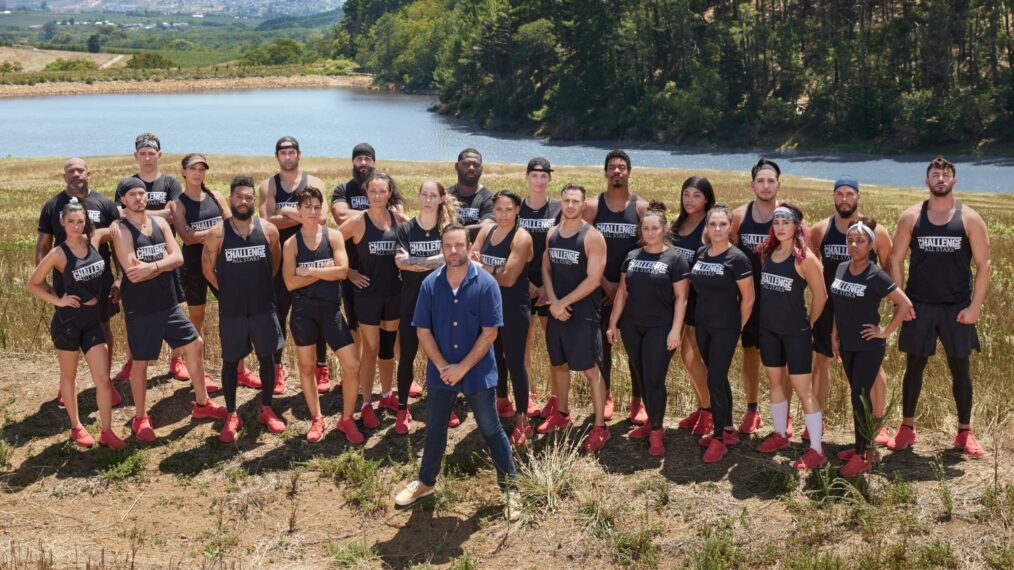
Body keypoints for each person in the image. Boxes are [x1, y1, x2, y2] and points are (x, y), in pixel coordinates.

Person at [394, 223, 519, 520]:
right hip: (442, 371)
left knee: (491, 428)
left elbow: (490, 333)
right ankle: (426, 483)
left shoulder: (486, 283)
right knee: (435, 428)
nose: (453, 251)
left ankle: (512, 489)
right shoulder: (430, 284)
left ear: (469, 247)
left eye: (459, 245)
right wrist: (441, 366)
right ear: (441, 248)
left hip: (477, 372)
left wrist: (462, 367)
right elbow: (423, 329)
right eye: (448, 246)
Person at [887, 156, 992, 458]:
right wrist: (901, 303)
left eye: (946, 175)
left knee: (960, 368)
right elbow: (895, 260)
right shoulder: (912, 217)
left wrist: (975, 307)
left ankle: (964, 432)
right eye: (936, 174)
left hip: (956, 307)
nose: (941, 179)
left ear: (954, 181)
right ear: (927, 180)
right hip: (919, 305)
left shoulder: (969, 218)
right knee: (914, 365)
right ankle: (907, 427)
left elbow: (984, 265)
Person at [112, 178, 226, 442]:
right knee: (140, 363)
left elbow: (179, 258)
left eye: (142, 193)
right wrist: (162, 263)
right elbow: (133, 271)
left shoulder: (161, 223)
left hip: (168, 303)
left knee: (195, 343)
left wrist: (152, 266)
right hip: (140, 308)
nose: (139, 198)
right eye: (133, 194)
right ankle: (141, 418)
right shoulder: (120, 229)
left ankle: (202, 403)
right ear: (123, 201)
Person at [26, 198, 126, 449]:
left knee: (103, 379)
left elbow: (116, 228)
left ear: (86, 222)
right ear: (62, 222)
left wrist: (124, 220)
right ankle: (76, 426)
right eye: (70, 221)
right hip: (68, 323)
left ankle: (106, 431)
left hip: (93, 322)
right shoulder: (58, 253)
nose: (75, 225)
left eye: (80, 221)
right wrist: (58, 301)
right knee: (69, 377)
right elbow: (32, 284)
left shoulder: (92, 240)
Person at [201, 176, 288, 443]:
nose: (243, 201)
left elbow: (274, 264)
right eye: (239, 197)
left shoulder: (269, 230)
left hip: (263, 308)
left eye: (249, 197)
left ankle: (266, 408)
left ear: (254, 200)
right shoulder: (218, 232)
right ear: (231, 198)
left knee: (267, 358)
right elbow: (207, 268)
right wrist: (226, 293)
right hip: (233, 311)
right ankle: (231, 413)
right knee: (229, 362)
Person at [808, 176, 893, 445]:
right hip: (831, 307)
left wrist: (889, 310)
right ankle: (816, 421)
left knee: (873, 369)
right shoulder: (821, 229)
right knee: (821, 362)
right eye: (839, 194)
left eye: (850, 194)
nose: (844, 199)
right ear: (833, 197)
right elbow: (812, 268)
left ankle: (877, 423)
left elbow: (889, 269)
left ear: (858, 196)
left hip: (861, 308)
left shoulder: (876, 231)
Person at [830, 218, 913, 476]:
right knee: (858, 397)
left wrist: (885, 331)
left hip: (868, 346)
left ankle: (862, 455)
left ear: (871, 245)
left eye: (860, 241)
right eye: (850, 240)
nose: (854, 245)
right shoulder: (842, 267)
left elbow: (905, 304)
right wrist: (834, 333)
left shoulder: (875, 274)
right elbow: (838, 304)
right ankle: (865, 448)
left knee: (859, 399)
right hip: (847, 344)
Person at [37, 158, 122, 405]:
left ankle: (106, 383)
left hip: (100, 279)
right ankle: (67, 385)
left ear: (89, 173)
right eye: (70, 171)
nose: (75, 174)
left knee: (104, 326)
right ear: (64, 176)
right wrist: (43, 282)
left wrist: (119, 278)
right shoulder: (53, 206)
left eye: (79, 169)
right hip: (67, 283)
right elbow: (43, 245)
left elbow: (118, 245)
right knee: (68, 331)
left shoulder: (105, 204)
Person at [606, 202, 689, 457]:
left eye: (655, 228)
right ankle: (651, 423)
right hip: (632, 326)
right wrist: (612, 323)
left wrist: (676, 330)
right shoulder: (632, 257)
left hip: (660, 327)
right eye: (646, 228)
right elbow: (622, 291)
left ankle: (656, 431)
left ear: (664, 229)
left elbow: (681, 298)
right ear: (641, 231)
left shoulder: (675, 258)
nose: (650, 233)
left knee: (654, 378)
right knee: (641, 374)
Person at [282, 186, 364, 444]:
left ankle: (347, 419)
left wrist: (307, 272)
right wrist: (321, 270)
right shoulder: (291, 244)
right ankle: (317, 419)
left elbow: (341, 272)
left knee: (352, 365)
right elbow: (290, 284)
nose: (313, 212)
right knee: (307, 367)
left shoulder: (334, 237)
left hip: (330, 310)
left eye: (318, 207)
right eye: (308, 207)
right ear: (299, 210)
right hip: (303, 313)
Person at [330, 143, 409, 400]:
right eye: (372, 191)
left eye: (382, 191)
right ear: (367, 192)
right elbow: (331, 243)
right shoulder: (357, 221)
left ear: (389, 194)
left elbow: (416, 242)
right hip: (367, 293)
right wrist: (349, 271)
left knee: (387, 348)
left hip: (393, 292)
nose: (377, 195)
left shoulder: (400, 221)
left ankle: (386, 394)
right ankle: (365, 403)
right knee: (371, 348)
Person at [754, 204, 829, 470]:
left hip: (795, 333)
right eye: (776, 222)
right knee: (775, 384)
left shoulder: (805, 258)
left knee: (803, 390)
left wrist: (808, 322)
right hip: (769, 330)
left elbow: (821, 296)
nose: (780, 227)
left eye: (786, 222)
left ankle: (816, 450)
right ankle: (780, 435)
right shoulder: (768, 253)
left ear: (796, 225)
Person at [540, 183, 611, 452]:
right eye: (566, 200)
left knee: (590, 370)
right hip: (558, 309)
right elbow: (546, 268)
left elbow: (593, 280)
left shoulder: (592, 237)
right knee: (558, 364)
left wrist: (564, 303)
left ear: (583, 204)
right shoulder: (552, 234)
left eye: (575, 201)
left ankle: (600, 427)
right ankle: (562, 414)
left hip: (583, 314)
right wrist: (553, 301)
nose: (570, 205)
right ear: (561, 201)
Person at [582, 149, 649, 423]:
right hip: (599, 288)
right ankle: (606, 395)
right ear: (606, 172)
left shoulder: (641, 208)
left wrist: (623, 287)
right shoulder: (592, 207)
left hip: (633, 291)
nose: (617, 171)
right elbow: (581, 248)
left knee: (636, 348)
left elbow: (651, 249)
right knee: (601, 348)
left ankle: (638, 400)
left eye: (622, 167)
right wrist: (604, 283)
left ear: (629, 172)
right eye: (612, 167)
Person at [258, 136, 328, 394]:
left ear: (299, 154)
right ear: (277, 156)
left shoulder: (315, 183)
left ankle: (321, 367)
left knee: (318, 312)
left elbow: (322, 220)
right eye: (283, 152)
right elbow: (267, 223)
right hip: (279, 259)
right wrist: (302, 218)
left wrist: (287, 213)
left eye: (292, 152)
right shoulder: (268, 186)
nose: (288, 156)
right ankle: (278, 369)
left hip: (311, 255)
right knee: (278, 314)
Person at [113, 133, 185, 383]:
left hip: (165, 256)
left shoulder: (170, 183)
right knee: (134, 314)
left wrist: (140, 213)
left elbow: (174, 214)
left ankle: (176, 360)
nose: (146, 158)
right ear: (136, 156)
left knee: (175, 308)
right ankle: (134, 360)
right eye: (142, 153)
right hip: (134, 256)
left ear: (159, 155)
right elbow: (120, 215)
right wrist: (158, 213)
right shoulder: (127, 182)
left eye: (151, 153)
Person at [687, 205, 755, 463]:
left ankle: (718, 440)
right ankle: (727, 429)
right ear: (707, 227)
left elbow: (748, 298)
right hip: (703, 325)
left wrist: (737, 327)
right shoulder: (701, 253)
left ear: (730, 227)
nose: (717, 229)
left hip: (726, 327)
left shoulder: (737, 258)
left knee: (714, 378)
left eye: (722, 224)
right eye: (712, 224)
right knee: (717, 377)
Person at [731, 158, 790, 435]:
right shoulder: (740, 216)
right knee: (750, 353)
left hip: (779, 300)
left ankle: (785, 414)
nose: (765, 186)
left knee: (784, 359)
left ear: (779, 183)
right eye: (760, 180)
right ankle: (753, 409)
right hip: (749, 299)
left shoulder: (789, 215)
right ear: (752, 183)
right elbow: (729, 252)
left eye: (771, 180)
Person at [471, 190, 535, 445]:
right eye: (499, 209)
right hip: (488, 306)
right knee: (495, 357)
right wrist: (496, 268)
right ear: (493, 210)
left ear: (517, 210)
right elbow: (470, 259)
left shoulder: (521, 237)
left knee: (515, 361)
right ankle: (502, 402)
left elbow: (508, 279)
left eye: (509, 209)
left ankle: (523, 421)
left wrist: (485, 268)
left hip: (513, 306)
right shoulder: (487, 230)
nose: (504, 214)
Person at [393, 180, 457, 434]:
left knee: (440, 358)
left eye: (433, 195)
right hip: (412, 303)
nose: (428, 199)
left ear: (441, 199)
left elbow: (450, 260)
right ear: (418, 197)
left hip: (441, 304)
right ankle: (401, 409)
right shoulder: (406, 229)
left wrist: (415, 261)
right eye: (424, 195)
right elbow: (400, 263)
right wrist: (436, 261)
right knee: (407, 357)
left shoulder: (448, 230)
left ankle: (443, 406)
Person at [170, 153, 229, 393]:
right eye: (192, 168)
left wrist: (208, 234)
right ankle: (196, 368)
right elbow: (187, 237)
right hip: (193, 266)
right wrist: (218, 232)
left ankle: (237, 368)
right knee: (197, 319)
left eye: (201, 169)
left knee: (231, 312)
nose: (197, 173)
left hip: (221, 262)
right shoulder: (178, 203)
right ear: (183, 172)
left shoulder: (216, 196)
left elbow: (234, 224)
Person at [670, 176, 715, 437]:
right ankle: (702, 406)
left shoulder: (709, 226)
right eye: (686, 194)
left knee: (692, 354)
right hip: (678, 299)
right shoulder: (677, 223)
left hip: (700, 299)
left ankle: (710, 410)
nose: (690, 200)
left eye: (696, 195)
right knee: (687, 357)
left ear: (706, 198)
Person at [519, 157, 560, 420]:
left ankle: (556, 397)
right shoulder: (518, 208)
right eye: (534, 175)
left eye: (544, 176)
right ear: (527, 177)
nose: (539, 180)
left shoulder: (557, 208)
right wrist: (529, 283)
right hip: (522, 285)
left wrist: (547, 286)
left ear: (549, 179)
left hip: (551, 287)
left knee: (552, 344)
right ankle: (528, 395)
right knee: (523, 343)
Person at [447, 148, 494, 240]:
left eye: (476, 165)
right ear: (456, 166)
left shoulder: (489, 198)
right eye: (466, 164)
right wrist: (473, 228)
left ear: (481, 169)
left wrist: (452, 232)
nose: (471, 168)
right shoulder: (446, 195)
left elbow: (486, 227)